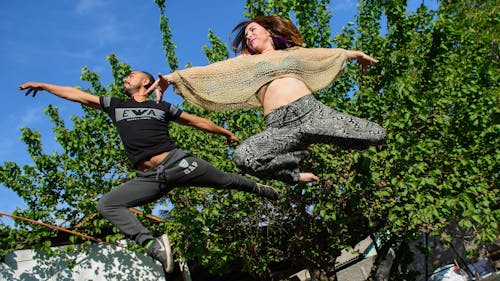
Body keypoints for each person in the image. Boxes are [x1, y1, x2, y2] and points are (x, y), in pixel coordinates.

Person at [19, 70, 279, 273]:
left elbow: (196, 121)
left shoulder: (161, 108)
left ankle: (259, 188)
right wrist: (43, 86)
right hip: (150, 178)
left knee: (225, 180)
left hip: (178, 163)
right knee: (108, 205)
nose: (125, 79)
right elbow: (77, 94)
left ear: (145, 82)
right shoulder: (116, 105)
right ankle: (154, 246)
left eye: (130, 76)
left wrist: (226, 132)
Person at [150, 15, 387, 185]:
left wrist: (355, 55)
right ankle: (294, 170)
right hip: (280, 127)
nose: (249, 35)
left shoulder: (291, 54)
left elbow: (323, 53)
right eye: (246, 35)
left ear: (269, 32)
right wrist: (172, 78)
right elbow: (211, 70)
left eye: (253, 30)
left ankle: (317, 138)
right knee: (244, 157)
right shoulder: (246, 62)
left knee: (377, 135)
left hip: (313, 113)